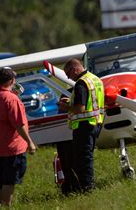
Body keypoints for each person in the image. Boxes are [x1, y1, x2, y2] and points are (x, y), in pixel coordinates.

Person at [0, 67, 36, 206]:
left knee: (2, 178)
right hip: (12, 147)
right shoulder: (11, 99)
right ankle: (6, 205)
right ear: (12, 80)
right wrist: (30, 142)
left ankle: (2, 204)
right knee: (10, 180)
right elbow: (19, 124)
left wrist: (13, 95)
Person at [57, 58, 104, 193]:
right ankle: (88, 186)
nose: (68, 77)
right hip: (96, 123)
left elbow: (80, 108)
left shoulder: (80, 84)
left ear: (75, 69)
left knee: (83, 159)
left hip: (84, 126)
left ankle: (88, 188)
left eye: (68, 74)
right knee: (86, 156)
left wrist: (66, 107)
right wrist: (71, 100)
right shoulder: (95, 79)